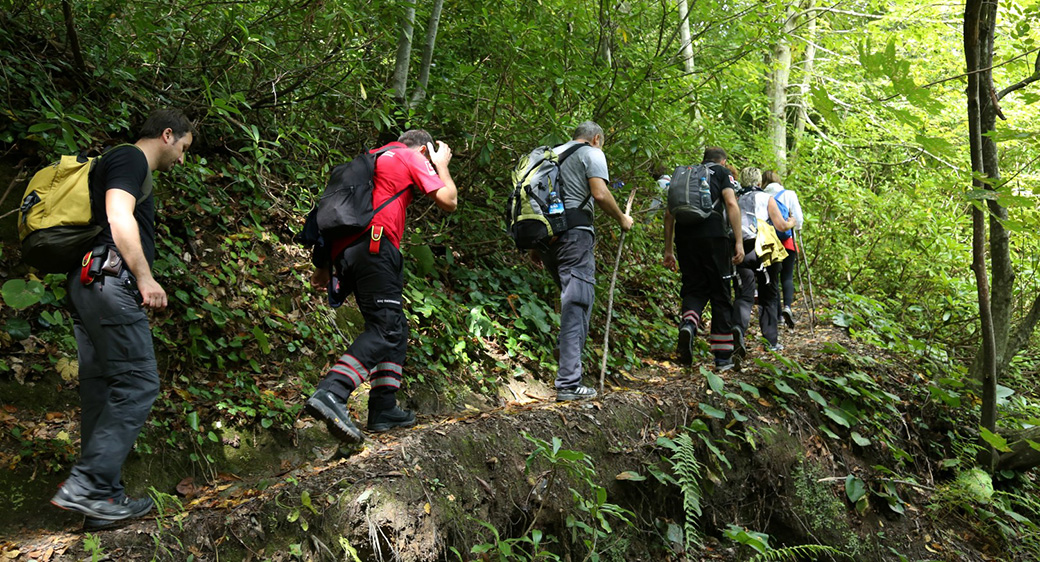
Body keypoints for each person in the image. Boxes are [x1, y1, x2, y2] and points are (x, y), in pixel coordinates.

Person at [51, 109, 194, 527]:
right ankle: (89, 486)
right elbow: (119, 213)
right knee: (138, 381)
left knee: (102, 390)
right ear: (167, 134)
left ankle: (103, 502)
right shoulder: (131, 158)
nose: (181, 160)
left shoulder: (117, 161)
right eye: (183, 148)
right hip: (110, 281)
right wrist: (145, 277)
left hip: (89, 281)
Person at [305, 130, 458, 444]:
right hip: (375, 246)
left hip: (349, 252)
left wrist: (323, 265)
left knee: (394, 326)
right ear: (425, 149)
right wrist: (441, 164)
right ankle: (332, 391)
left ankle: (383, 407)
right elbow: (449, 200)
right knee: (386, 327)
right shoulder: (408, 156)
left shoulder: (370, 161)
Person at [535, 121, 632, 401]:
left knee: (573, 301)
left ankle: (567, 347)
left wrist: (535, 245)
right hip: (574, 236)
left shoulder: (551, 154)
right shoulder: (591, 153)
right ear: (596, 138)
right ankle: (568, 382)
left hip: (546, 238)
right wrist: (621, 218)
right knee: (577, 302)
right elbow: (599, 193)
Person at [663, 147, 745, 371]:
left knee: (694, 288)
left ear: (703, 159)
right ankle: (722, 357)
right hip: (714, 238)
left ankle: (689, 323)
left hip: (685, 237)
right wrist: (738, 241)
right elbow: (730, 203)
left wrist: (668, 250)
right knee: (720, 292)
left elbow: (669, 214)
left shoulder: (687, 175)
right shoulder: (721, 173)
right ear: (724, 161)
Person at [733, 167, 795, 351]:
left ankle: (738, 328)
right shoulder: (767, 198)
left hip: (742, 248)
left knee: (744, 295)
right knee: (769, 295)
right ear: (760, 183)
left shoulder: (735, 199)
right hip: (765, 249)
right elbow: (781, 225)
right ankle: (771, 341)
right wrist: (791, 222)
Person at [762, 170, 804, 328]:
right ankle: (787, 306)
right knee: (787, 276)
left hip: (768, 241)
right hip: (787, 241)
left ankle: (778, 315)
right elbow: (799, 220)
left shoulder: (761, 195)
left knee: (772, 279)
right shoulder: (789, 194)